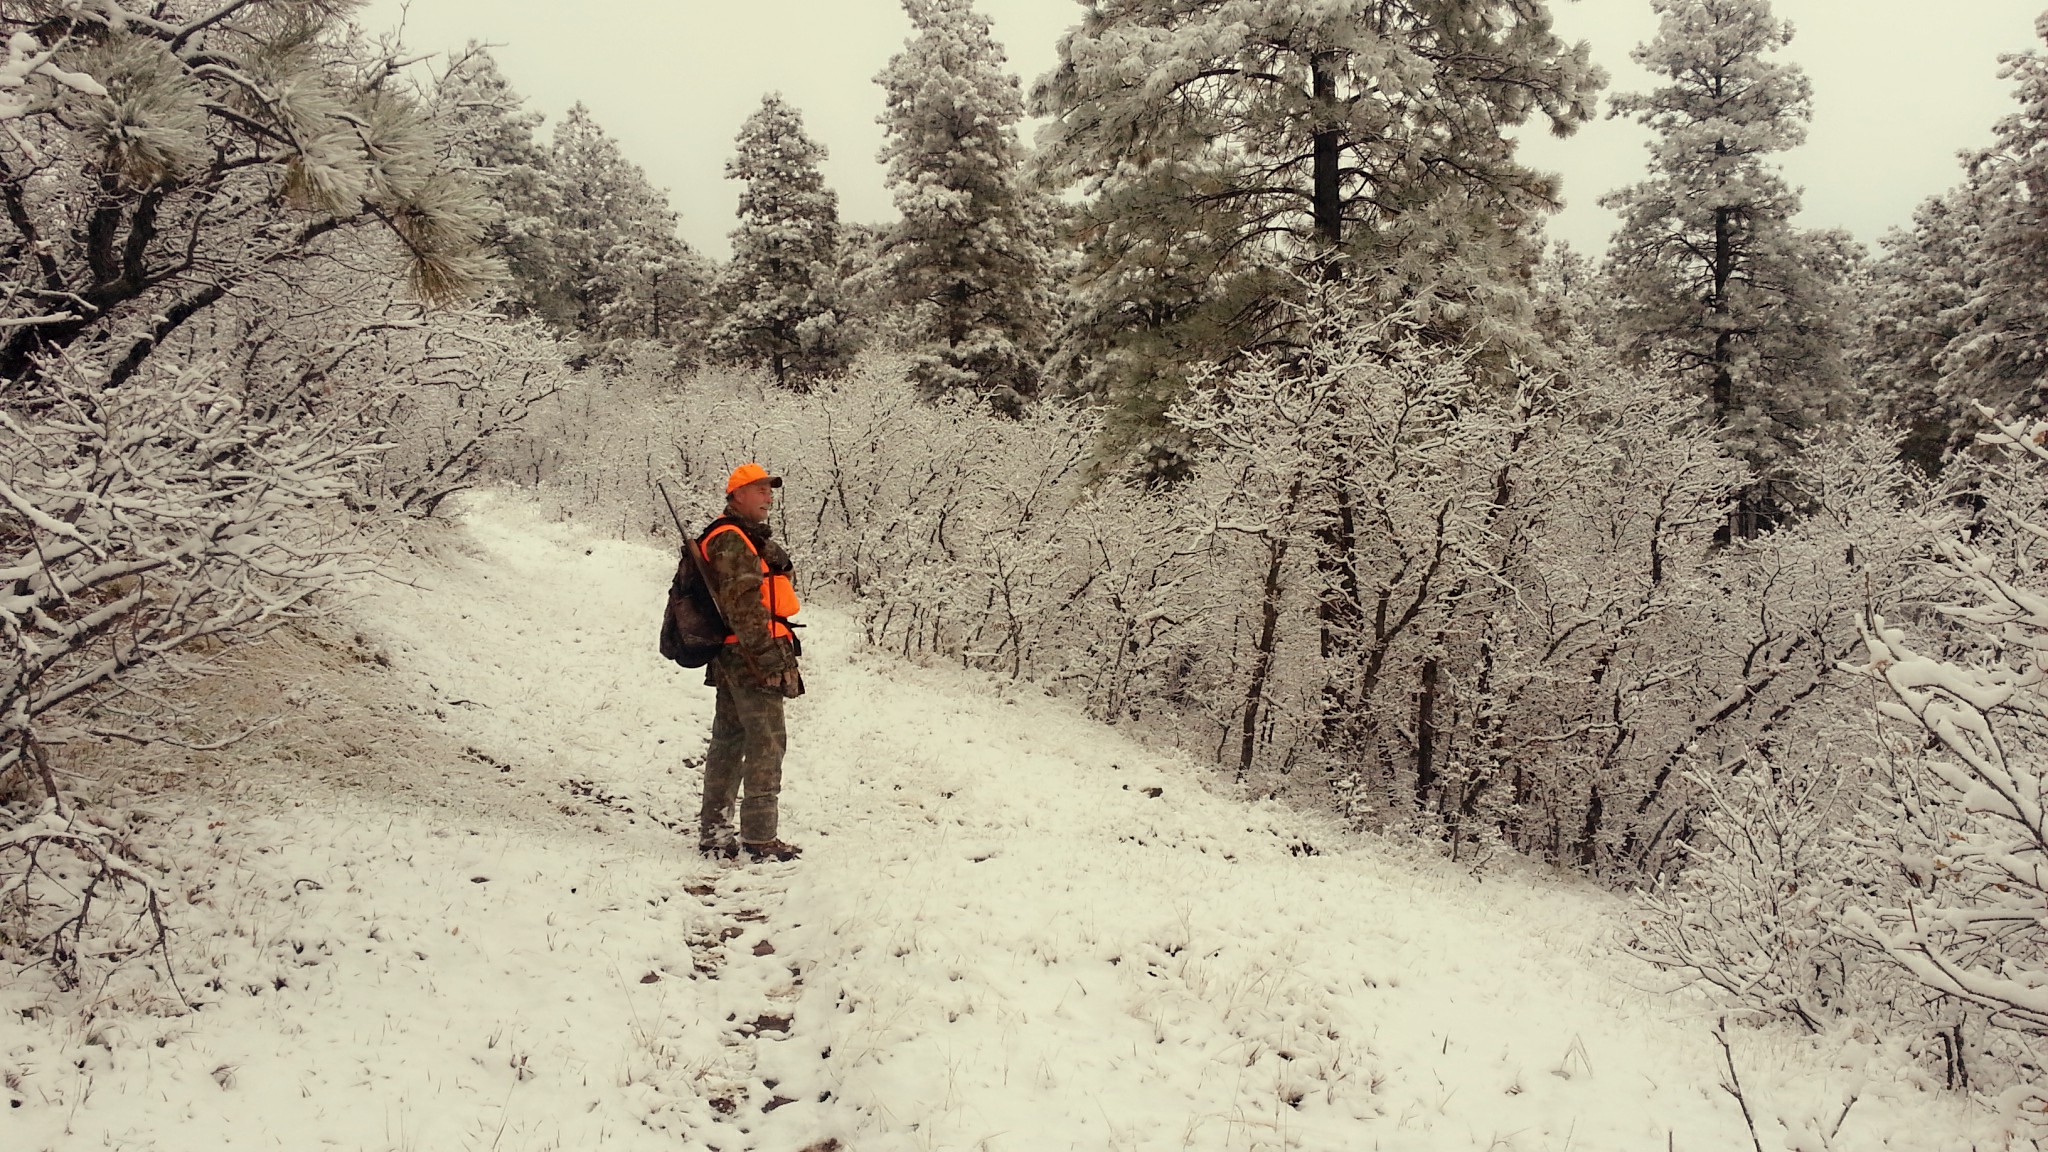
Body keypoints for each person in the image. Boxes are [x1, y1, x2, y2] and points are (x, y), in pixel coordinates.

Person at [696, 462, 805, 863]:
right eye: (759, 489)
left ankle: (715, 832)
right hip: (750, 657)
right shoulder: (732, 539)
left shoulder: (741, 537)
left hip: (736, 656)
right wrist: (764, 656)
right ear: (737, 495)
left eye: (769, 490)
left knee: (730, 741)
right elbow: (742, 604)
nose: (768, 496)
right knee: (766, 744)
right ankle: (759, 838)